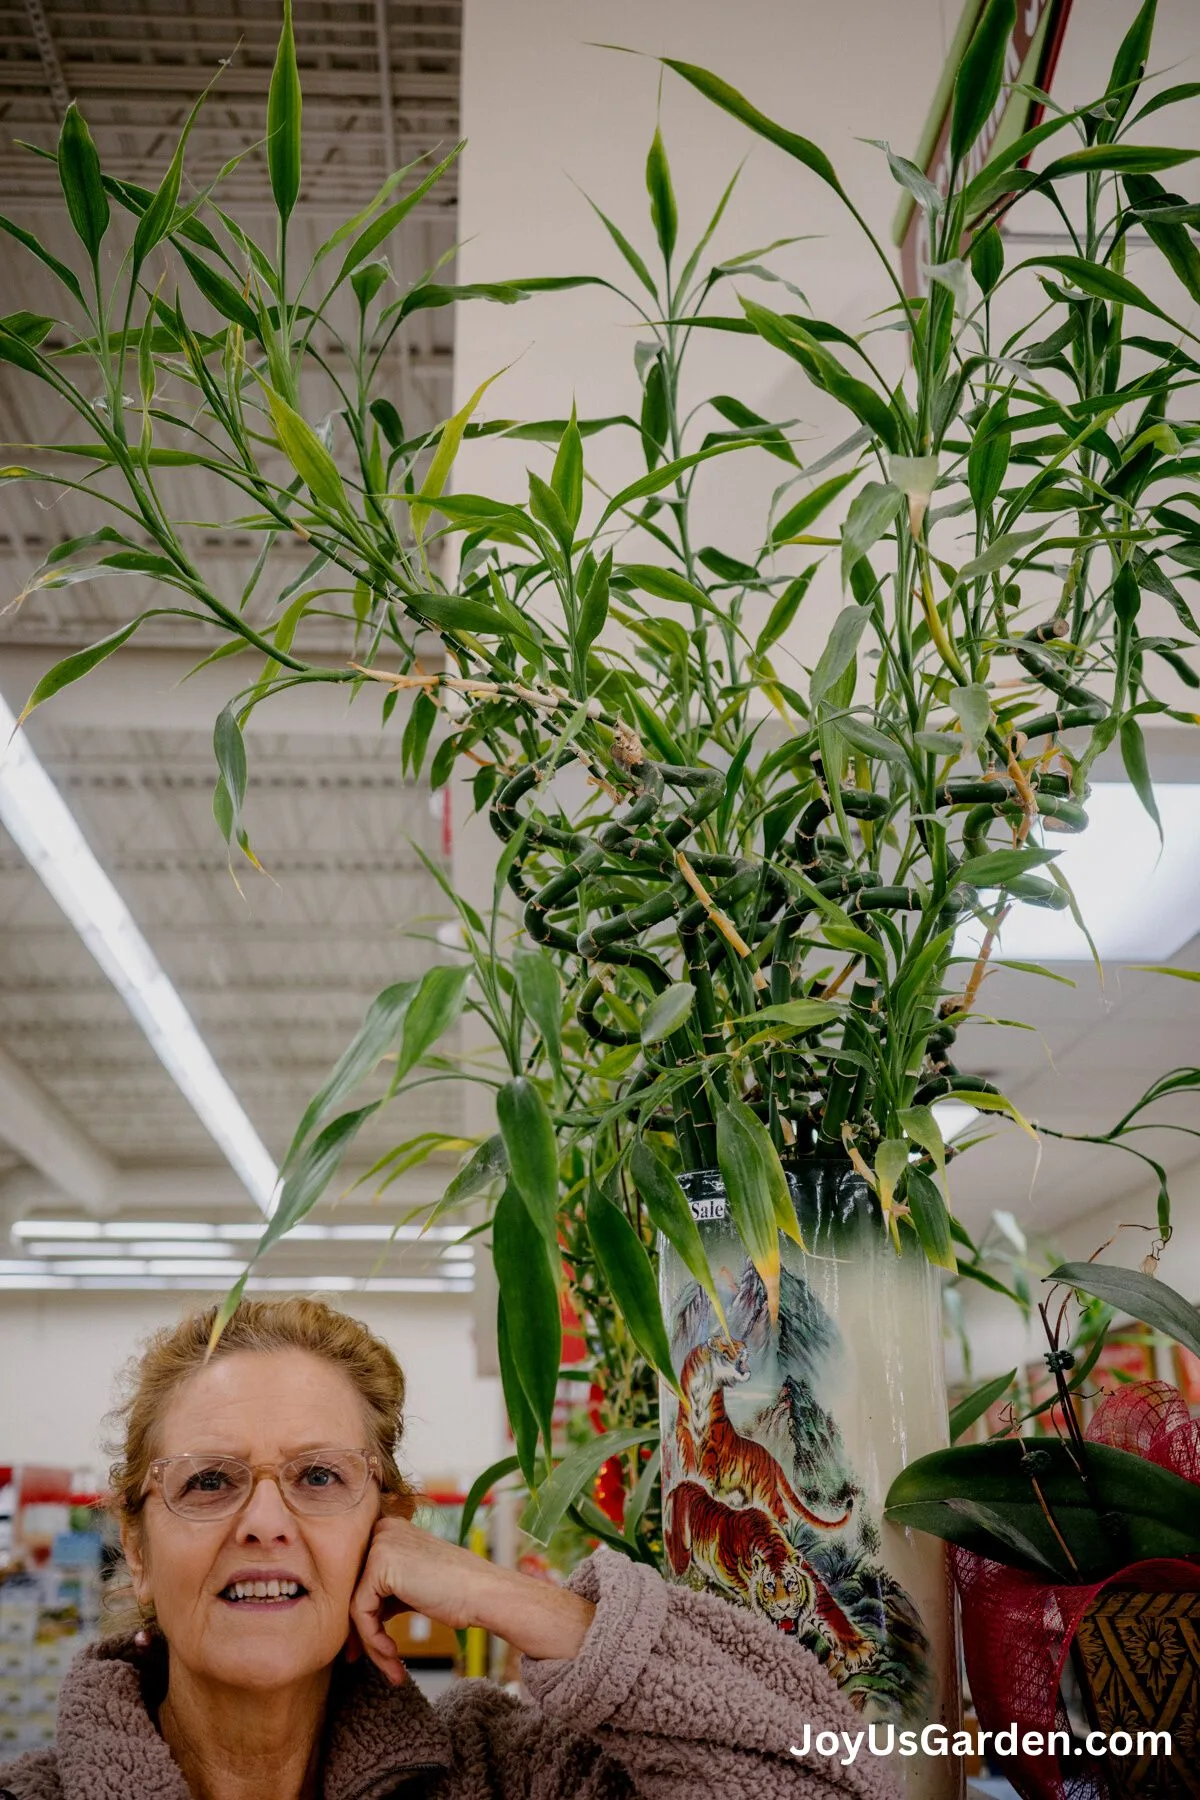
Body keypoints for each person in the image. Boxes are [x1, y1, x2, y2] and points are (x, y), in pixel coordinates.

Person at [0, 1297, 897, 1800]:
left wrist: (535, 1608)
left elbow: (835, 1781)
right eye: (207, 1482)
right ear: (138, 1547)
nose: (264, 1522)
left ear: (385, 1526)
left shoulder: (506, 1776)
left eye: (318, 1478)